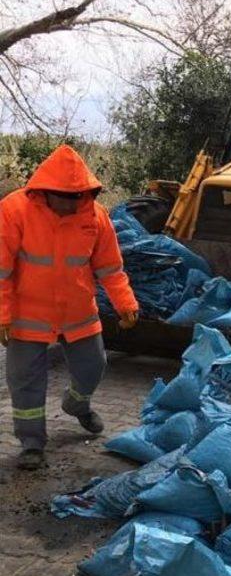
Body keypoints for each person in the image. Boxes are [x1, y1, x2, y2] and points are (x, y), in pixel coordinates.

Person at [0, 144, 139, 470]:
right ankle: (32, 444)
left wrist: (126, 303)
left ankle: (77, 404)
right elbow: (2, 270)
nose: (70, 204)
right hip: (28, 314)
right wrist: (3, 315)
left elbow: (110, 268)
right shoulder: (13, 211)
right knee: (25, 381)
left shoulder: (95, 216)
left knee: (94, 365)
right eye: (63, 197)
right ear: (44, 191)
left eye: (77, 197)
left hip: (78, 311)